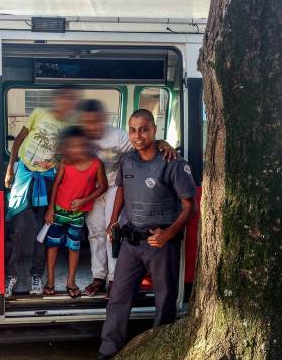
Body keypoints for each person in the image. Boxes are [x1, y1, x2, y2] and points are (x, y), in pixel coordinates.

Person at [98, 109, 196, 359]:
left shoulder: (173, 162)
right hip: (131, 242)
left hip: (161, 244)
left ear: (154, 130)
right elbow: (121, 189)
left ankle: (160, 351)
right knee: (118, 298)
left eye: (143, 129)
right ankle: (109, 350)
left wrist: (168, 233)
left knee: (165, 303)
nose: (138, 135)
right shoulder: (127, 161)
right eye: (133, 129)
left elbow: (190, 207)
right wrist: (113, 221)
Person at [78, 100, 177, 297]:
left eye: (95, 122)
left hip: (116, 186)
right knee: (95, 232)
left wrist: (161, 143)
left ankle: (114, 278)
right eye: (87, 123)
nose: (92, 126)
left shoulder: (117, 136)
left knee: (112, 231)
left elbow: (140, 143)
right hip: (92, 190)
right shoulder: (80, 138)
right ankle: (98, 276)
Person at [4, 87, 79, 298]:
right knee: (17, 227)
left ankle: (37, 274)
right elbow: (18, 140)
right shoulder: (39, 112)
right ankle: (10, 275)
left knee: (41, 230)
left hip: (46, 179)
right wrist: (11, 168)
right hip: (24, 174)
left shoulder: (69, 127)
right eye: (63, 99)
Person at [43, 126, 108, 298]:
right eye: (72, 146)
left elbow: (103, 186)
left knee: (74, 246)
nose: (76, 149)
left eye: (80, 145)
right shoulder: (65, 162)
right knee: (53, 245)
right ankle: (50, 281)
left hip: (78, 214)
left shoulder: (96, 164)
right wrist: (50, 208)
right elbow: (56, 184)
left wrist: (85, 201)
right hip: (58, 210)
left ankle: (70, 282)